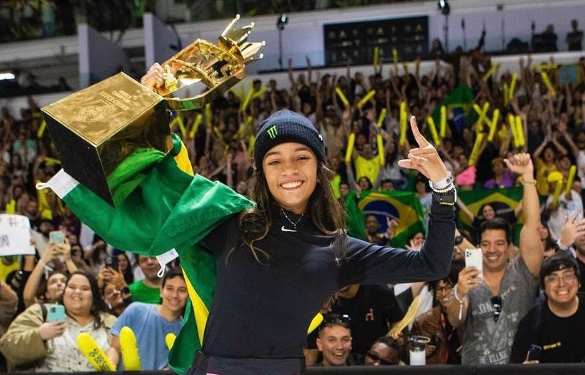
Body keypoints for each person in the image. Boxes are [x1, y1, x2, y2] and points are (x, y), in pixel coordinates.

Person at [43, 64, 456, 375]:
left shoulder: (339, 249)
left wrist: (442, 185)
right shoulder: (228, 219)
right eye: (274, 161)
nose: (289, 170)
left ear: (319, 168)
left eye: (301, 158)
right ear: (263, 173)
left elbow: (432, 265)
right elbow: (167, 188)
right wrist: (146, 109)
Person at [446, 153, 542, 365]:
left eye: (499, 244)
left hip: (520, 370)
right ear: (479, 247)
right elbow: (454, 319)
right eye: (486, 244)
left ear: (510, 248)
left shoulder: (524, 271)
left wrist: (527, 178)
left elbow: (532, 225)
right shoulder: (468, 276)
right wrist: (460, 293)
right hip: (475, 370)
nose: (492, 250)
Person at [0, 271, 117, 372]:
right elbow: (7, 347)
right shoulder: (41, 312)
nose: (77, 291)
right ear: (64, 292)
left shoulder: (109, 321)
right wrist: (39, 335)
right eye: (71, 287)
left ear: (94, 297)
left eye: (85, 289)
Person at [510, 252, 585, 363]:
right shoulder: (531, 324)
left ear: (579, 282)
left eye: (568, 276)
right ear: (543, 287)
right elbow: (517, 367)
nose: (561, 283)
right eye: (553, 278)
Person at [107, 268, 188, 370]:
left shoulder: (186, 333)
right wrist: (109, 368)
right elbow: (114, 348)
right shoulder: (136, 310)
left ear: (189, 296)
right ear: (161, 291)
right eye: (170, 288)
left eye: (182, 290)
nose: (175, 295)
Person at [410, 273, 463, 364]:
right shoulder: (423, 321)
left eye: (449, 288)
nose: (444, 293)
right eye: (439, 289)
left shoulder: (467, 316)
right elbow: (408, 348)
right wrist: (420, 351)